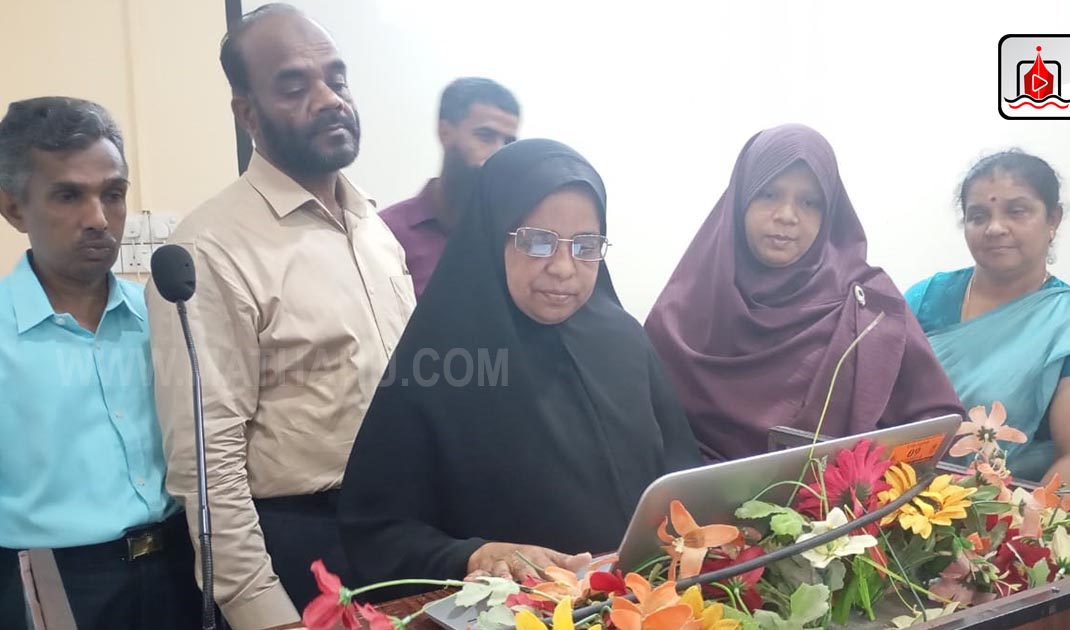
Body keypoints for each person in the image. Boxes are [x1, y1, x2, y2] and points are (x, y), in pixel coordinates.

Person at [146, 4, 415, 628]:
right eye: (295, 86)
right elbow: (207, 463)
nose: (330, 99)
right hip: (303, 546)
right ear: (247, 113)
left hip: (403, 531)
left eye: (338, 79)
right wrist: (261, 611)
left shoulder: (374, 229)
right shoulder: (210, 249)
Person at [339, 139, 701, 595]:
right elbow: (377, 530)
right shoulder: (440, 361)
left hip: (648, 600)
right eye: (537, 241)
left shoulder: (624, 340)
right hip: (508, 611)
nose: (564, 267)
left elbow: (679, 473)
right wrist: (475, 554)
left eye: (586, 245)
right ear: (493, 237)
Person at [645, 124, 962, 462]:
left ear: (830, 213)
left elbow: (937, 426)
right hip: (693, 493)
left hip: (840, 495)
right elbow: (645, 432)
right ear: (741, 199)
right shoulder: (681, 311)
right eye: (768, 194)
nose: (786, 216)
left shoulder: (868, 307)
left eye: (809, 202)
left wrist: (870, 476)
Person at [0, 97, 200, 629]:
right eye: (68, 195)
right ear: (14, 208)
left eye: (113, 194)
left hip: (181, 567)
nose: (98, 219)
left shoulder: (166, 316)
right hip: (56, 583)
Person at [905, 150, 1070, 486]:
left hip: (1021, 509)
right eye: (978, 216)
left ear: (1053, 219)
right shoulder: (924, 301)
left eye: (1017, 211)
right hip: (902, 501)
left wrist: (1011, 513)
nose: (995, 228)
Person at [379, 77, 519, 298]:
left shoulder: (517, 238)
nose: (498, 153)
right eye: (485, 136)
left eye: (509, 143)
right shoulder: (386, 235)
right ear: (445, 132)